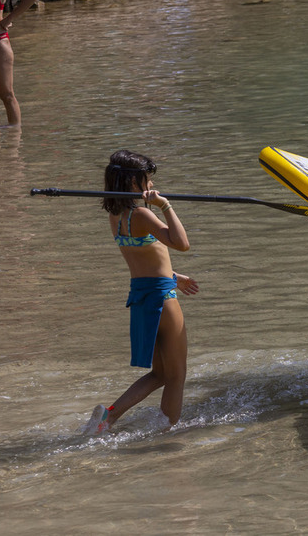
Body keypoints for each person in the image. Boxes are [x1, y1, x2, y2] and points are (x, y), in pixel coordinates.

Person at [82, 150, 199, 434]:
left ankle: (108, 417)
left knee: (160, 373)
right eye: (147, 180)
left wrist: (174, 275)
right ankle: (167, 432)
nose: (150, 185)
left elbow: (141, 259)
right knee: (176, 375)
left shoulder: (116, 216)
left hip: (141, 296)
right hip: (162, 298)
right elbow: (181, 243)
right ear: (134, 183)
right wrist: (165, 205)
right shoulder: (143, 214)